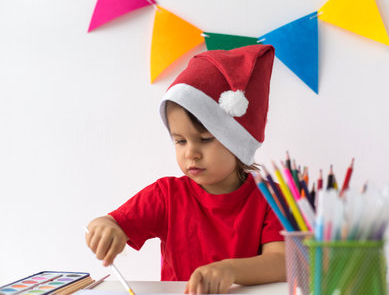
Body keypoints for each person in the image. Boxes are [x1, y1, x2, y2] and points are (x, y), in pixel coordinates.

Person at [85, 44, 285, 294]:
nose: (191, 153)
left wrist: (229, 270)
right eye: (180, 141)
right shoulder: (165, 195)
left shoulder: (271, 198)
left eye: (205, 139)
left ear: (238, 141)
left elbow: (281, 262)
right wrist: (105, 227)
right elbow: (112, 222)